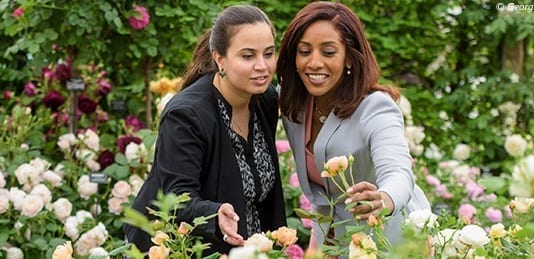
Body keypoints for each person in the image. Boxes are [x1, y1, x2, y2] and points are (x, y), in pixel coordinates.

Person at [125, 4, 285, 255]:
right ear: (219, 58)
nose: (262, 66)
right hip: (182, 248)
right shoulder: (185, 115)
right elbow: (177, 197)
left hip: (245, 248)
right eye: (248, 56)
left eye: (268, 53)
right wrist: (214, 213)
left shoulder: (265, 99)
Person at [277, 1, 430, 250]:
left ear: (349, 57)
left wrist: (384, 198)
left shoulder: (375, 108)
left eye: (328, 52)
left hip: (391, 239)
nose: (313, 62)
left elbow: (398, 171)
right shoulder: (294, 103)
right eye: (304, 51)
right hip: (333, 237)